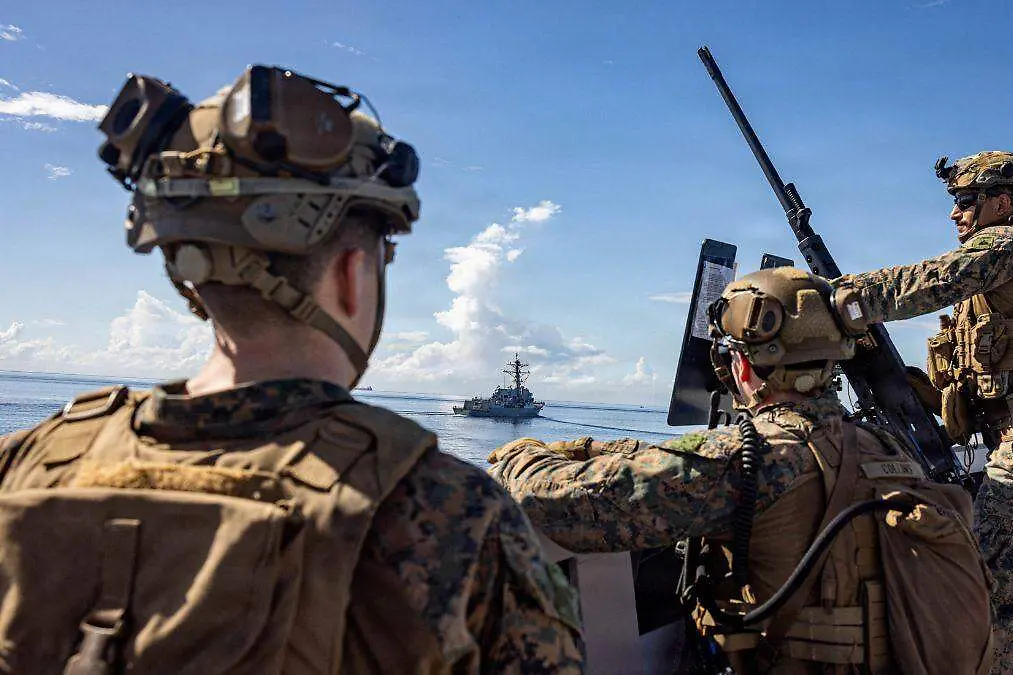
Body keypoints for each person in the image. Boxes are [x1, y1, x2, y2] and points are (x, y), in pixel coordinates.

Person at [0, 66, 583, 674]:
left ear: (188, 278)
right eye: (384, 255)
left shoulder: (25, 463)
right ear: (353, 273)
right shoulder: (451, 514)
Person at [489, 267, 991, 674]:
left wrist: (522, 452)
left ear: (743, 367)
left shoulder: (751, 460)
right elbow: (690, 462)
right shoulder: (885, 446)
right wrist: (598, 447)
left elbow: (559, 503)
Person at [828, 149, 1013, 674]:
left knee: (979, 615)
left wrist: (833, 300)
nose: (955, 213)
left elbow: (929, 281)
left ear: (1002, 203)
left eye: (966, 201)